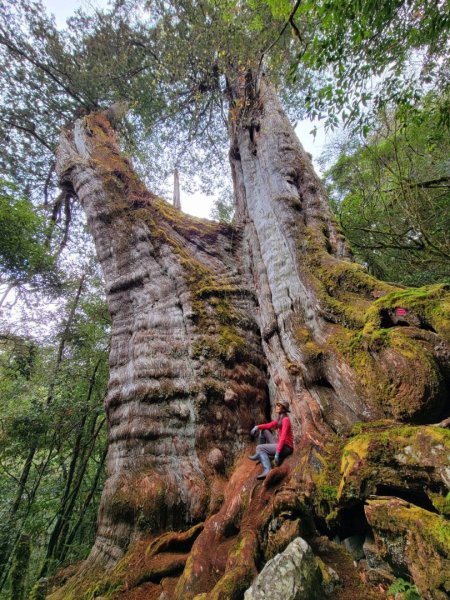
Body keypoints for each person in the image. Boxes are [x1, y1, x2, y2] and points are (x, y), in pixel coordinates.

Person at [249, 399, 294, 480]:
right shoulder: (280, 418)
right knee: (264, 430)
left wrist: (277, 452)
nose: (276, 406)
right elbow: (269, 425)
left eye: (279, 405)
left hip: (286, 447)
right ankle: (261, 456)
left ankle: (267, 470)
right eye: (277, 404)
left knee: (260, 447)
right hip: (281, 444)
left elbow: (283, 437)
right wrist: (257, 427)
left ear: (283, 409)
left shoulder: (285, 420)